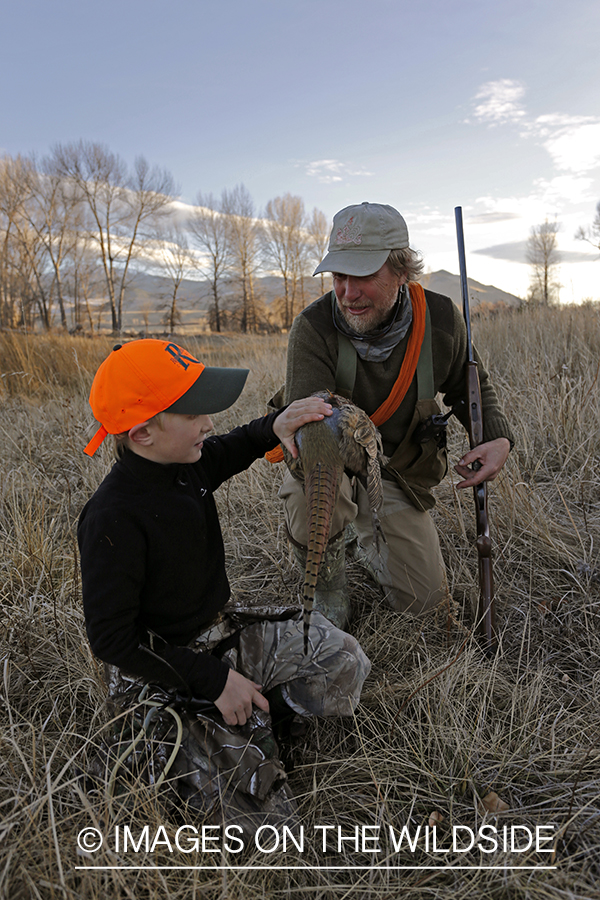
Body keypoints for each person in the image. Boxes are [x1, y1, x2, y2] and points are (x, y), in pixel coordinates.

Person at [78, 339, 370, 831]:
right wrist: (213, 682)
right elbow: (112, 640)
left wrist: (272, 428)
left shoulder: (185, 465)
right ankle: (199, 737)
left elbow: (229, 447)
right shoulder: (111, 517)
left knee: (345, 661)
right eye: (194, 413)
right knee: (266, 827)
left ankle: (260, 717)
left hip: (221, 635)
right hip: (161, 675)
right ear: (144, 431)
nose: (208, 422)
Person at [280, 202, 513, 628]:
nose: (348, 292)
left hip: (398, 473)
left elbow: (471, 388)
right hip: (330, 468)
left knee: (427, 614)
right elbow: (304, 438)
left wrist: (497, 439)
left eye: (364, 276)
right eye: (339, 276)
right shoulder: (313, 328)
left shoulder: (440, 320)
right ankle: (329, 576)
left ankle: (367, 535)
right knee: (314, 487)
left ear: (402, 270)